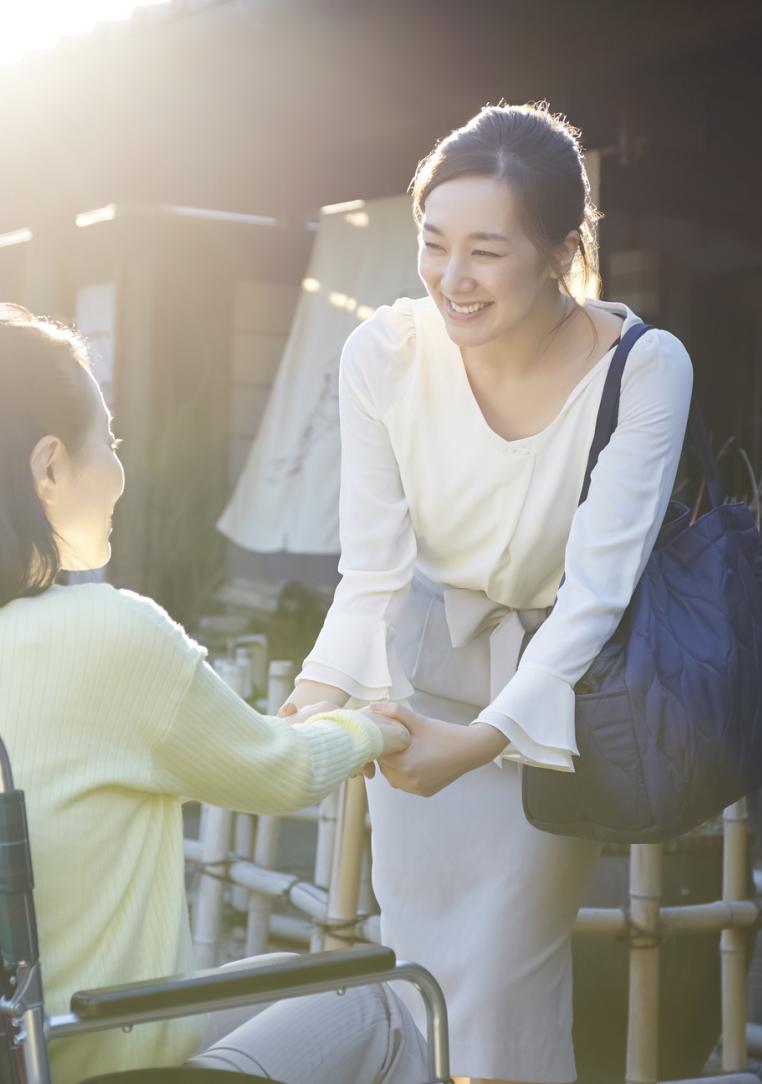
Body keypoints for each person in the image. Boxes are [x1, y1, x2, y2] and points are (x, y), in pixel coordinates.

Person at [0, 303, 429, 1084]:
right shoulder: (110, 634)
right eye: (107, 442)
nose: (118, 468)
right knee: (379, 1002)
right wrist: (374, 728)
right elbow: (276, 775)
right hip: (95, 1055)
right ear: (48, 467)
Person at [278, 102, 695, 1084]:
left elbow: (596, 594)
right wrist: (312, 698)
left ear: (558, 250)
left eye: (485, 251)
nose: (450, 279)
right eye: (432, 244)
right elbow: (373, 570)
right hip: (422, 696)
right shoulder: (379, 354)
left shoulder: (642, 368)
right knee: (421, 984)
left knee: (504, 982)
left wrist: (483, 741)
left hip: (550, 709)